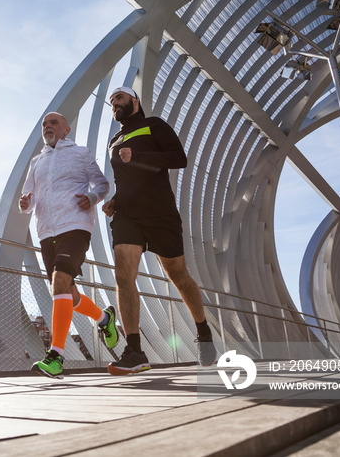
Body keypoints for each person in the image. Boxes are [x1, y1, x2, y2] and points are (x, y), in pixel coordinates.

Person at [102, 87, 217, 375]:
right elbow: (126, 177)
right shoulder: (114, 141)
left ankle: (203, 332)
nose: (114, 102)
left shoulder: (154, 125)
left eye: (120, 98)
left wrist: (138, 154)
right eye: (112, 100)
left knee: (178, 275)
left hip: (161, 213)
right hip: (128, 215)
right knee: (123, 275)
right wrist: (115, 200)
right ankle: (134, 350)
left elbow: (179, 158)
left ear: (134, 102)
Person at [20, 112, 116, 379]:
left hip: (75, 225)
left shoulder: (81, 154)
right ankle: (105, 319)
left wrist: (92, 196)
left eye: (53, 123)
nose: (47, 127)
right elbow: (29, 197)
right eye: (44, 125)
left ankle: (56, 356)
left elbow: (102, 184)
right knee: (67, 292)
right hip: (45, 231)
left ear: (66, 129)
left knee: (61, 279)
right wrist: (25, 204)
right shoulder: (36, 162)